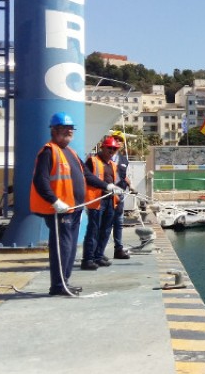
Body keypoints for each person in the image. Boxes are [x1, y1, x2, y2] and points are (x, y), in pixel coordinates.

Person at [30, 112, 123, 296]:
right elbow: (40, 181)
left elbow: (86, 175)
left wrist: (107, 186)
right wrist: (54, 201)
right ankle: (58, 285)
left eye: (70, 130)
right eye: (64, 130)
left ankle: (65, 281)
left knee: (70, 246)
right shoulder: (49, 151)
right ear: (54, 131)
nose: (68, 133)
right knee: (62, 246)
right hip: (60, 210)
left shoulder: (70, 152)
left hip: (74, 208)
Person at [81, 136, 121, 270]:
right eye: (109, 148)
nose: (112, 151)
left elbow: (116, 180)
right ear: (102, 147)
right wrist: (106, 186)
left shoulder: (112, 165)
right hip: (97, 201)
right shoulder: (92, 161)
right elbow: (88, 178)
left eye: (114, 149)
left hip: (110, 200)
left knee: (106, 230)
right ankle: (88, 259)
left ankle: (98, 256)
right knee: (93, 230)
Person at [109, 131, 131, 260]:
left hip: (120, 195)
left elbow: (123, 176)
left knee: (119, 222)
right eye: (115, 139)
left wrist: (130, 185)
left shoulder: (124, 160)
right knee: (104, 224)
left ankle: (118, 249)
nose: (117, 141)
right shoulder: (103, 156)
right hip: (105, 195)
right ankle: (97, 252)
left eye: (120, 140)